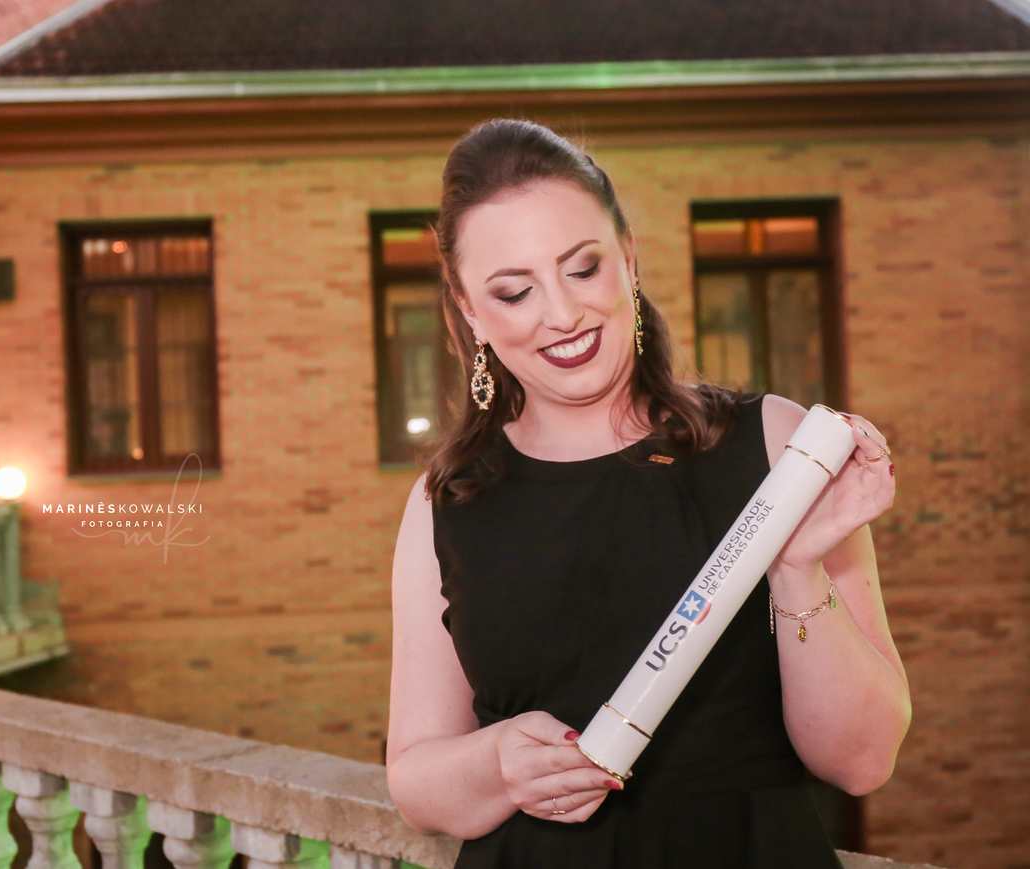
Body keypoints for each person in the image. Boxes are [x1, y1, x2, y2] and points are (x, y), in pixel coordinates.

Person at [384, 119, 911, 868]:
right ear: (471, 310)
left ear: (627, 259)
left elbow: (863, 760)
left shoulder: (778, 446)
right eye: (514, 291)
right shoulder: (446, 503)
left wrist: (796, 569)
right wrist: (498, 762)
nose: (562, 314)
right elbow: (415, 782)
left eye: (582, 267)